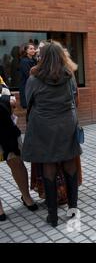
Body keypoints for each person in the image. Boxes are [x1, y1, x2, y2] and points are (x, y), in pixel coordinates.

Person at [21, 41, 82, 227]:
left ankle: (53, 216)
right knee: (70, 164)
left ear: (43, 57)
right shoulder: (69, 75)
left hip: (44, 126)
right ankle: (72, 211)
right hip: (66, 124)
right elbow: (74, 97)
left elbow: (28, 101)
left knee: (49, 166)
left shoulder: (34, 78)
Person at [0, 76, 38, 222]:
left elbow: (11, 100)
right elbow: (6, 100)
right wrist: (4, 100)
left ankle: (26, 196)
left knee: (16, 161)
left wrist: (5, 100)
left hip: (6, 129)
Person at [18, 43, 37, 108]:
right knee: (29, 107)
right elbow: (28, 75)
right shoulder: (24, 61)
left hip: (33, 87)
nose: (33, 50)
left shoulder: (34, 60)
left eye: (34, 49)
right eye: (31, 49)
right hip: (26, 86)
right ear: (26, 51)